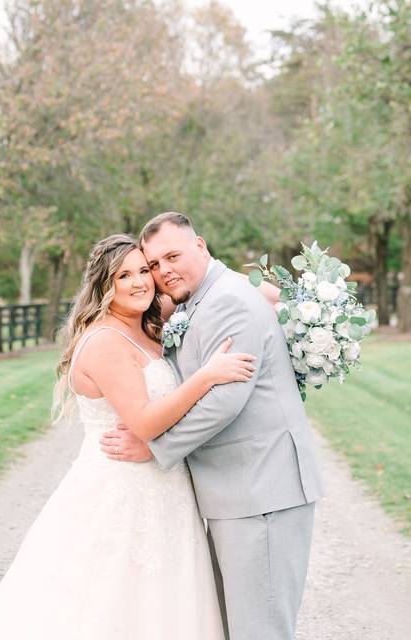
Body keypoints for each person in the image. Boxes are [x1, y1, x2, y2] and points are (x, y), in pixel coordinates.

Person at [0, 233, 255, 639]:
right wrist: (207, 376)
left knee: (164, 606)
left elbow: (212, 290)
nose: (140, 282)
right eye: (124, 276)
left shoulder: (147, 324)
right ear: (105, 286)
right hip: (122, 490)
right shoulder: (104, 341)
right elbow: (146, 423)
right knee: (106, 604)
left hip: (164, 489)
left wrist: (291, 297)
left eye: (144, 270)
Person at [100, 212, 325, 640]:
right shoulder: (202, 297)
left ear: (200, 246)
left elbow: (224, 401)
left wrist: (155, 446)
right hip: (241, 492)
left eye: (172, 256)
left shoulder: (226, 301)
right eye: (154, 264)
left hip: (262, 492)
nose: (163, 271)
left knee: (260, 631)